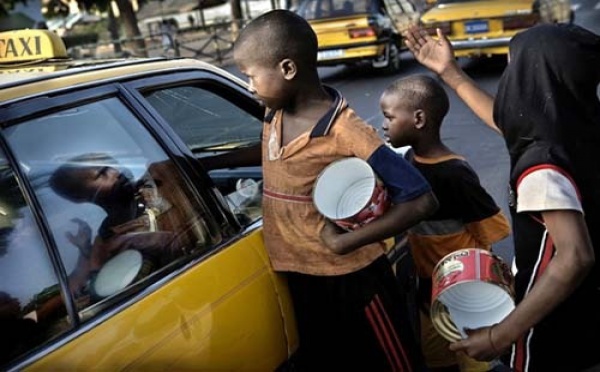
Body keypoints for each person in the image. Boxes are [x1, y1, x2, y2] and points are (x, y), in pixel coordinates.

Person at [201, 9, 439, 371]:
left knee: (388, 361)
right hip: (300, 273)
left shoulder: (346, 130)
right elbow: (268, 150)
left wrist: (346, 242)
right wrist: (208, 163)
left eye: (251, 76)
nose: (248, 85)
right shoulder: (274, 113)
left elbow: (421, 199)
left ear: (287, 69)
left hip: (352, 279)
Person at [403, 22, 600, 372]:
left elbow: (574, 257)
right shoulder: (577, 130)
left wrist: (500, 336)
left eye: (514, 68)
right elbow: (508, 121)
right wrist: (450, 72)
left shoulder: (542, 166)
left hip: (557, 324)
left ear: (532, 83)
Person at [380, 74, 511, 372]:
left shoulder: (455, 173)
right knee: (437, 359)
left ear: (418, 118)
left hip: (461, 290)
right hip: (426, 287)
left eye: (389, 116)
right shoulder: (406, 162)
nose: (383, 124)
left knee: (476, 361)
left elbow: (492, 229)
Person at [49, 153, 192, 296]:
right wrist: (85, 250)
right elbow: (86, 287)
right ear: (80, 197)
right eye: (103, 173)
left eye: (114, 164)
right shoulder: (107, 241)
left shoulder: (162, 174)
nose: (117, 172)